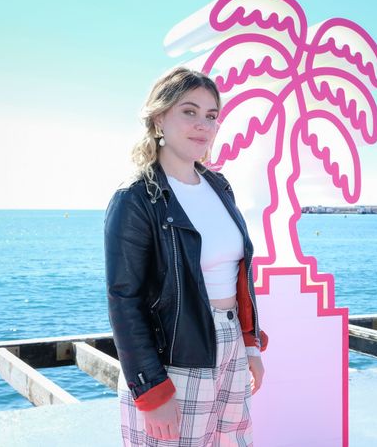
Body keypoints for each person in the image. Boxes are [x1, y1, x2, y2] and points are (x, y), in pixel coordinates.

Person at [104, 67, 268, 446]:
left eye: (211, 116)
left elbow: (238, 275)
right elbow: (124, 299)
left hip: (230, 345)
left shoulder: (219, 186)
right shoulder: (136, 198)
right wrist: (150, 388)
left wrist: (249, 345)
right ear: (159, 117)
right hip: (176, 360)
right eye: (189, 111)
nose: (203, 125)